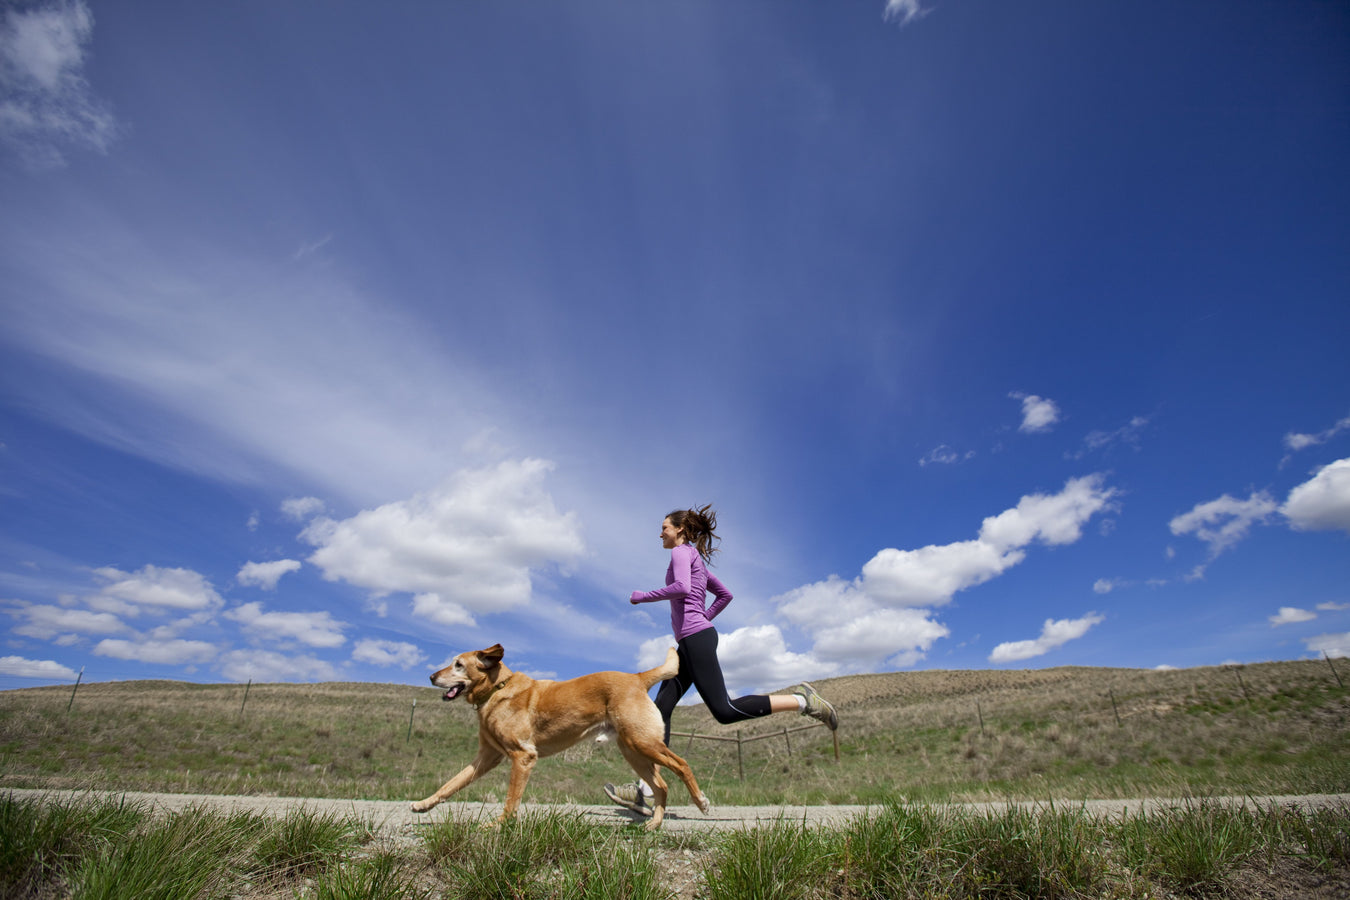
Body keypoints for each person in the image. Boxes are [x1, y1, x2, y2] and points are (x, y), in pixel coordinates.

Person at [603, 504, 838, 816]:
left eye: (664, 528)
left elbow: (682, 587)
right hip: (692, 640)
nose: (660, 534)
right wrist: (703, 618)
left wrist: (643, 596)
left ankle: (803, 701)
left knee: (724, 710)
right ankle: (645, 790)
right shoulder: (695, 559)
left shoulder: (681, 553)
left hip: (695, 639)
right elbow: (725, 595)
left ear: (680, 530)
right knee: (660, 709)